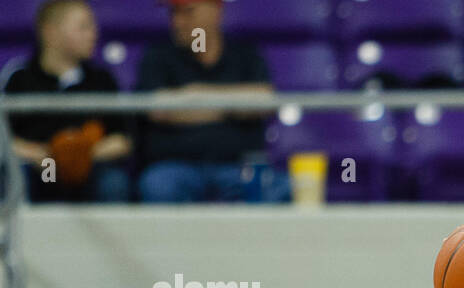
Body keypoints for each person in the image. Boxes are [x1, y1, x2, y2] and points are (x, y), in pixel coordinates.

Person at [135, 0, 287, 203]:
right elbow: (159, 109)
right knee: (157, 185)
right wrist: (234, 105)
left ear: (216, 12)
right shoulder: (157, 56)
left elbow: (265, 101)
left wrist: (193, 97)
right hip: (175, 168)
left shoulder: (245, 54)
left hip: (238, 167)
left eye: (188, 12)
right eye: (174, 13)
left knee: (280, 187)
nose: (177, 22)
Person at [2, 0, 132, 203]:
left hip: (91, 168)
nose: (94, 33)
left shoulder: (101, 79)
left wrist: (82, 154)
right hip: (42, 167)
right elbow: (5, 138)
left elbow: (122, 139)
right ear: (50, 32)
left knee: (113, 183)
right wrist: (40, 154)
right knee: (16, 178)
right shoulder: (20, 79)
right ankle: (20, 235)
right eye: (83, 26)